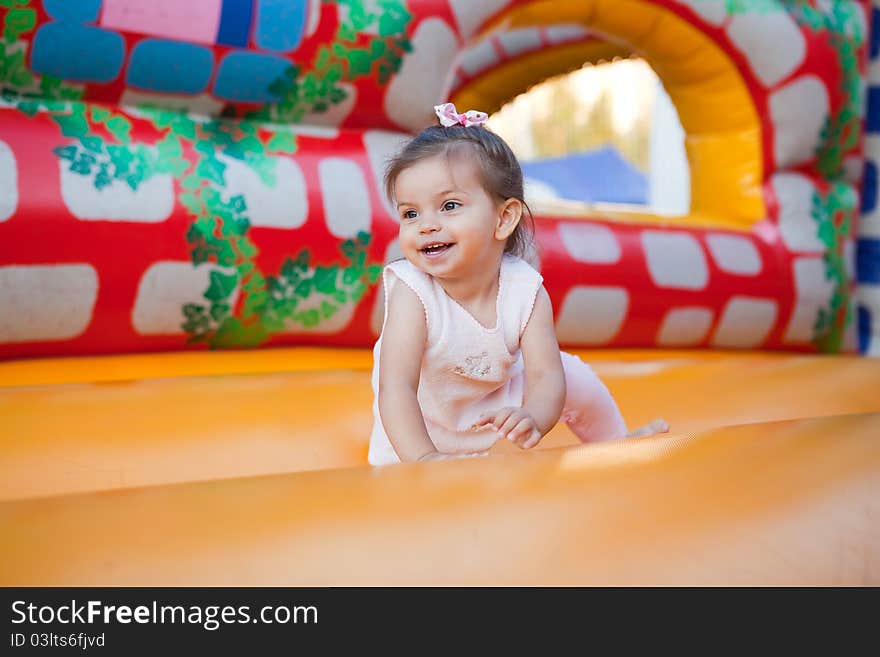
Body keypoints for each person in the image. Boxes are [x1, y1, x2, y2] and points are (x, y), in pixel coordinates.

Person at [369, 103, 668, 465]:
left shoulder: (524, 289)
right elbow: (396, 387)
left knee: (571, 372)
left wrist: (536, 416)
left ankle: (616, 442)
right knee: (401, 467)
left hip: (491, 401)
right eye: (410, 213)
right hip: (418, 421)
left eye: (448, 206)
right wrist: (422, 458)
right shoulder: (412, 290)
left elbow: (546, 376)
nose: (426, 225)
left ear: (504, 218)